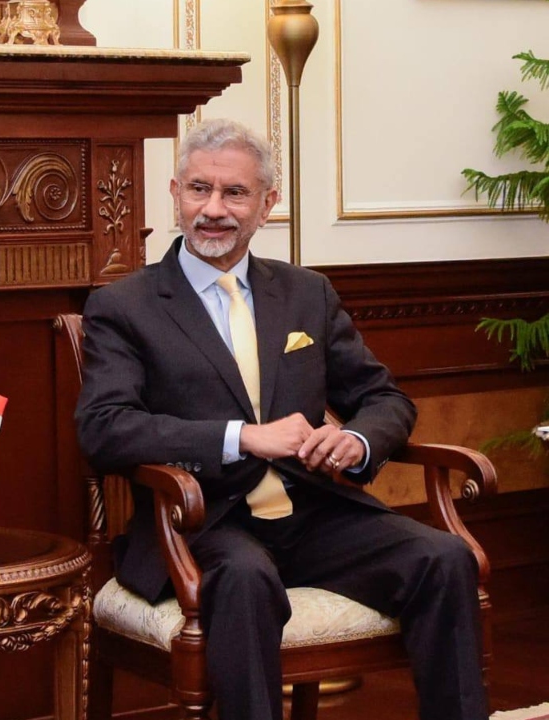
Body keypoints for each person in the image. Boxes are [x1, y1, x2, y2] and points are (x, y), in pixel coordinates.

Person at [75, 119, 486, 720]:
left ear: (267, 204)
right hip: (200, 525)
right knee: (246, 579)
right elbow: (105, 428)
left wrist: (356, 440)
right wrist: (242, 438)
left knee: (444, 558)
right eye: (199, 189)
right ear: (175, 192)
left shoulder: (305, 294)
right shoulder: (124, 305)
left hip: (313, 512)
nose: (213, 209)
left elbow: (385, 399)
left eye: (235, 193)